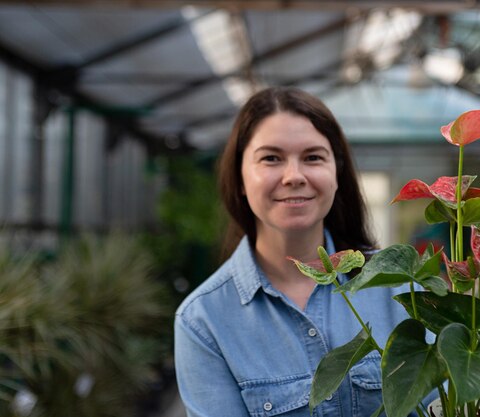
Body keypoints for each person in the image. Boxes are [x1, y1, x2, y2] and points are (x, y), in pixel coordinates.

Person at [174, 86, 437, 417]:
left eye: (313, 157)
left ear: (336, 174)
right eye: (271, 158)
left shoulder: (398, 287)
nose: (294, 176)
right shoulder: (204, 320)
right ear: (240, 177)